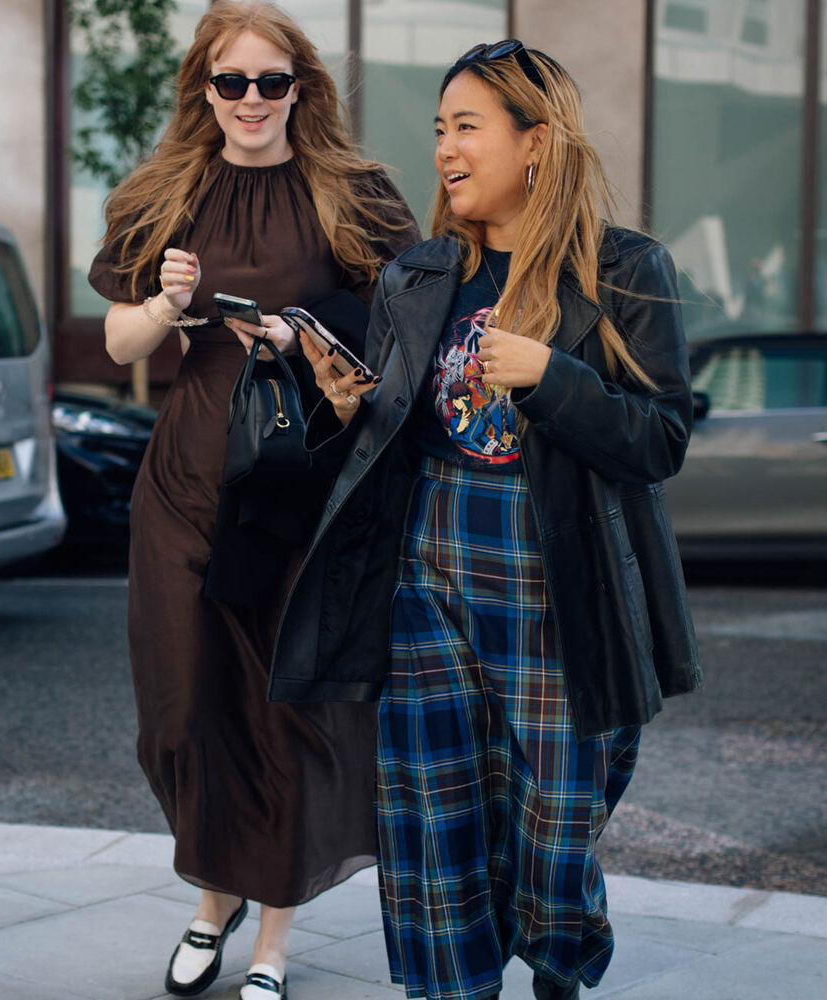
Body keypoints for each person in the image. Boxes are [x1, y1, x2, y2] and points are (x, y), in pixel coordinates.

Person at [270, 39, 703, 1000]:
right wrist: (349, 412)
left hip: (561, 573)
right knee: (434, 813)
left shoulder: (625, 270)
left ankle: (557, 961)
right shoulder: (417, 277)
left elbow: (660, 439)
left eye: (467, 127)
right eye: (439, 129)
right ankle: (452, 987)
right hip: (429, 570)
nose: (445, 150)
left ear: (535, 141)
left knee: (557, 820)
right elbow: (387, 448)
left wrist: (553, 377)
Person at [86, 3, 419, 999]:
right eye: (231, 82)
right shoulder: (164, 194)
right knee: (185, 710)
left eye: (271, 83)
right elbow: (117, 347)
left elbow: (405, 320)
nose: (250, 102)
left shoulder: (349, 191)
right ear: (203, 88)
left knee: (288, 710)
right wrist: (165, 305)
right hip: (186, 480)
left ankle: (264, 936)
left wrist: (301, 333)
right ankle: (213, 894)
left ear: (299, 90)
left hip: (298, 482)